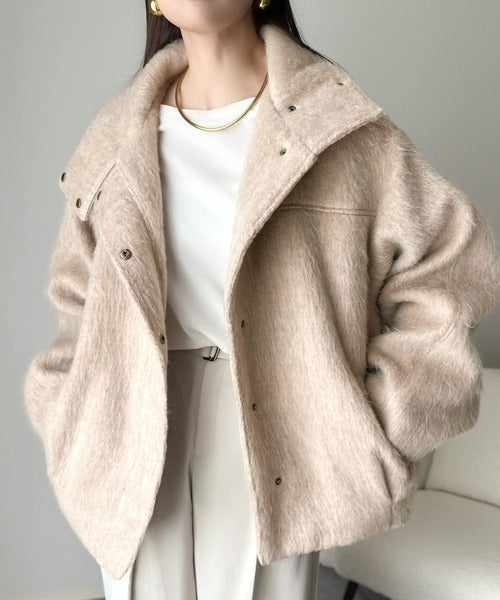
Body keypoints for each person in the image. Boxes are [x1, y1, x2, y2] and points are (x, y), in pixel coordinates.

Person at [23, 1, 500, 599]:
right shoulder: (116, 139)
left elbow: (450, 267)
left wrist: (369, 430)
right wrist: (72, 417)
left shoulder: (333, 125)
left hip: (278, 423)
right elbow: (77, 302)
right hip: (133, 426)